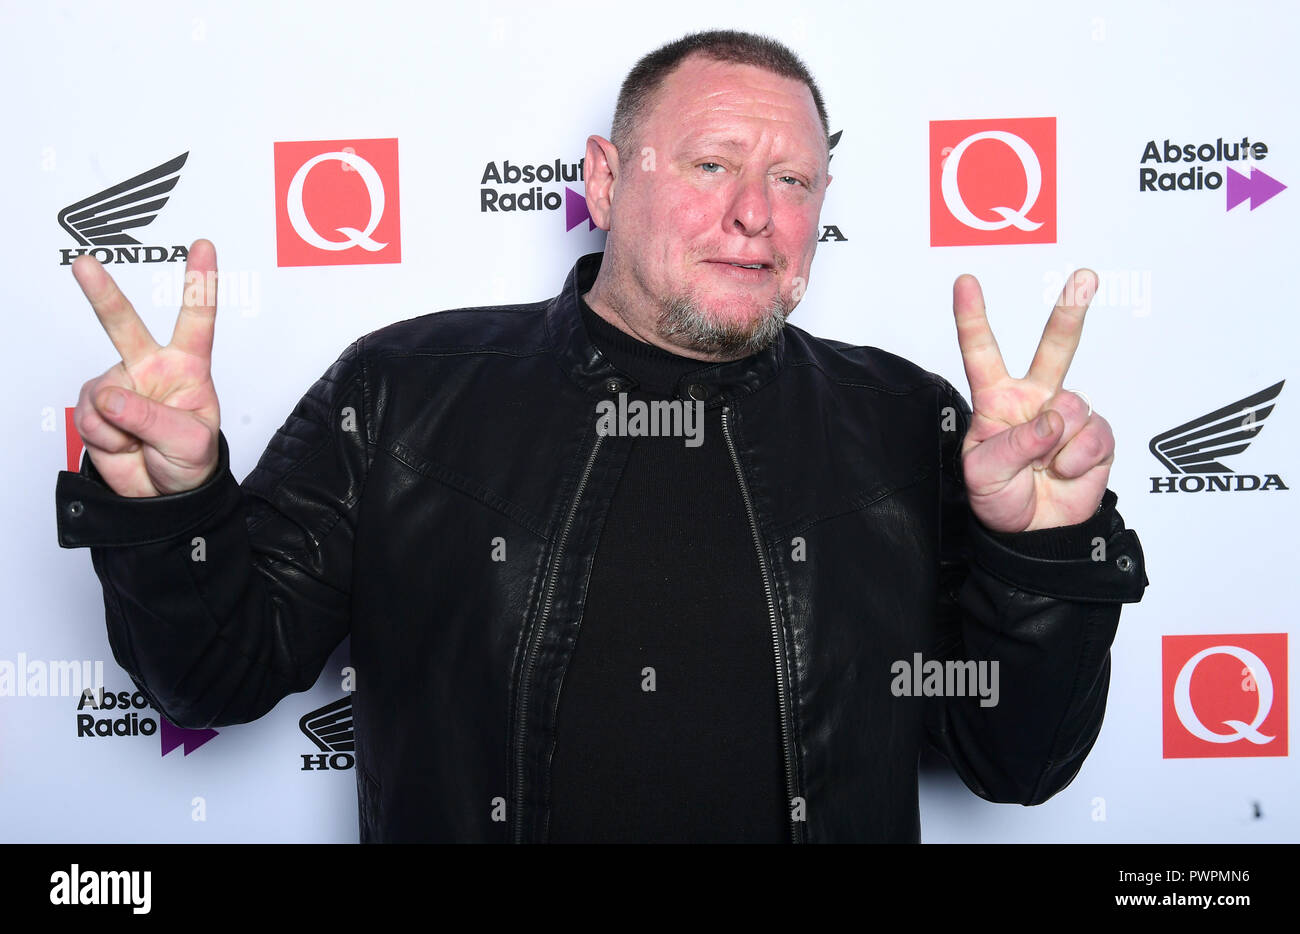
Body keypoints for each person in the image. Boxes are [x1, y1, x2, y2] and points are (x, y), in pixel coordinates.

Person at [55, 30, 1147, 843]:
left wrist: (1041, 556)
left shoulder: (909, 423)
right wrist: (170, 515)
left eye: (793, 180)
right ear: (605, 180)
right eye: (713, 165)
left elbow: (1015, 763)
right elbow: (211, 678)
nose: (756, 213)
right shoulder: (404, 390)